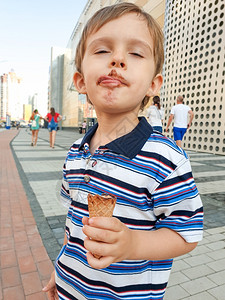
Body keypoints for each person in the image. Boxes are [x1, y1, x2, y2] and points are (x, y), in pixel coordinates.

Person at [43, 3, 203, 300]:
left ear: (153, 85)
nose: (117, 59)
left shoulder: (165, 159)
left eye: (136, 53)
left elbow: (186, 234)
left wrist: (132, 245)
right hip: (70, 288)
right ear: (80, 81)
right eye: (102, 51)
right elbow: (74, 224)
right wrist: (60, 268)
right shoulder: (77, 152)